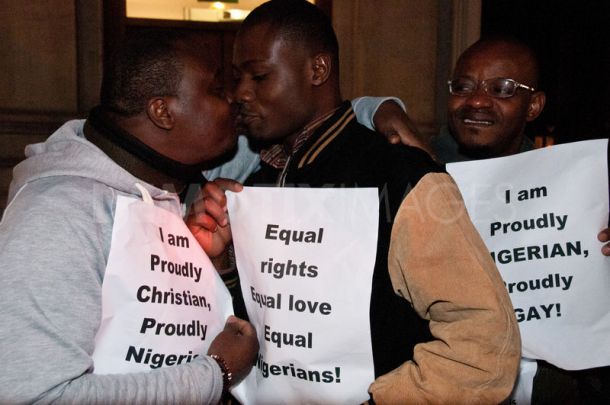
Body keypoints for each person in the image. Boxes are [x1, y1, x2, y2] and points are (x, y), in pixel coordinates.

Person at [189, 1, 521, 403]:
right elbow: (266, 325)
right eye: (238, 77)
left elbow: (484, 343)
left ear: (317, 70)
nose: (241, 93)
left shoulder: (399, 174)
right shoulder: (257, 182)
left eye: (259, 76)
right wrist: (224, 263)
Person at [0, 30, 259, 404]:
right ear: (162, 112)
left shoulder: (171, 192)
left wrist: (209, 264)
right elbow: (38, 397)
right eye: (217, 89)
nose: (234, 99)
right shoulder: (56, 215)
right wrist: (216, 373)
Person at [382, 36, 610, 404]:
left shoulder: (573, 190)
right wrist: (378, 108)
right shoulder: (407, 173)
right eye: (463, 86)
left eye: (502, 88)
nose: (476, 100)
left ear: (533, 105)